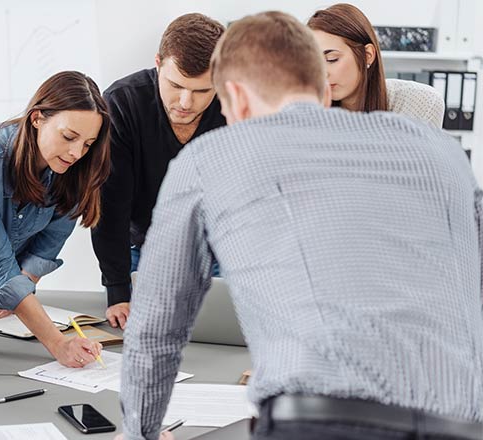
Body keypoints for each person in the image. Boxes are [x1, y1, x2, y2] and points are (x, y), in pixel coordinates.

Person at [118, 10, 482, 440]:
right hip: (463, 421)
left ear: (234, 96)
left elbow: (159, 323)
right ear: (320, 84)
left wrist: (140, 431)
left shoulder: (210, 157)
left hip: (321, 422)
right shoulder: (440, 151)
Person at [0, 71, 111, 368]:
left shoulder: (76, 172)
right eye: (69, 137)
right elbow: (1, 264)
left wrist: (13, 294)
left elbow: (43, 251)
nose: (76, 153)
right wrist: (58, 344)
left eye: (87, 144)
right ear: (37, 118)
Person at [91, 13, 225, 329]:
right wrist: (118, 290)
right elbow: (110, 206)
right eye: (175, 85)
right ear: (158, 63)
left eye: (202, 91)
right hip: (144, 253)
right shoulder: (121, 103)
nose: (185, 102)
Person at [308, 3, 444, 126]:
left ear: (368, 55)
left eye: (332, 59)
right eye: (314, 62)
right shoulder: (309, 108)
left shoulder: (418, 102)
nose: (322, 73)